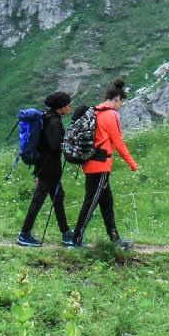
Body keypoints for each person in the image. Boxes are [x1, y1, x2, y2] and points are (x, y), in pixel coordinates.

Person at [69, 78, 139, 249]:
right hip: (100, 166)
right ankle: (76, 240)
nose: (120, 106)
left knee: (107, 203)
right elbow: (118, 142)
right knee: (91, 203)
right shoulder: (110, 115)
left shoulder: (95, 112)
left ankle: (115, 239)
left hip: (92, 164)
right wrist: (132, 163)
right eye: (121, 103)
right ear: (117, 99)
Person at [16, 90, 72, 247]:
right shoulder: (54, 121)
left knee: (58, 196)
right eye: (68, 105)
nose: (69, 108)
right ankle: (24, 234)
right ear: (61, 107)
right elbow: (54, 145)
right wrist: (67, 141)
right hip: (49, 167)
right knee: (39, 199)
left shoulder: (47, 116)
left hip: (46, 166)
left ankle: (66, 232)